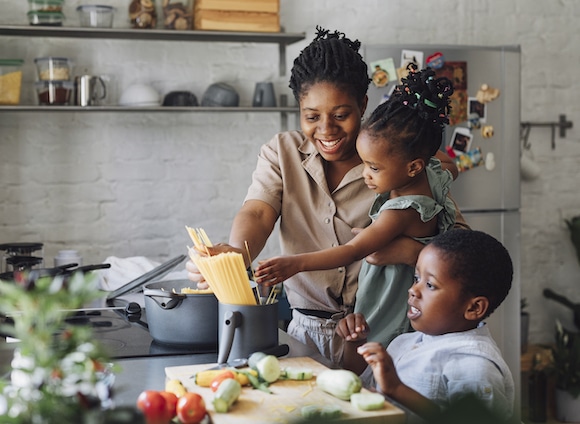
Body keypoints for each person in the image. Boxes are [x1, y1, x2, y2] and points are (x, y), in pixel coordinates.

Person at [186, 27, 469, 366]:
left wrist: (411, 253)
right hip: (306, 331)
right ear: (299, 110)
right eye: (312, 117)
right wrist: (235, 254)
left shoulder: (398, 163)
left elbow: (461, 246)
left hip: (388, 330)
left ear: (362, 104)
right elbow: (258, 213)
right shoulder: (282, 152)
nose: (326, 130)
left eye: (340, 115)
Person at [255, 66, 458, 347]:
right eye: (312, 116)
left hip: (378, 321)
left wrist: (296, 263)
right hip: (318, 325)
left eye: (373, 168)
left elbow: (353, 251)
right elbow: (449, 165)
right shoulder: (424, 175)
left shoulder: (400, 206)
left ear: (362, 105)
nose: (366, 175)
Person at [336, 229, 515, 422]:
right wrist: (355, 342)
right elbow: (361, 385)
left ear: (474, 308)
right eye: (416, 278)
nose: (413, 290)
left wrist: (397, 390)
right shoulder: (404, 342)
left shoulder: (475, 367)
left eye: (430, 285)